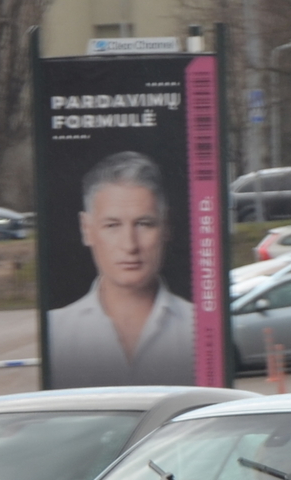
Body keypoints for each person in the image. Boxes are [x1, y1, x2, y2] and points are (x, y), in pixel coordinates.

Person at [46, 150, 194, 385]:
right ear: (87, 229)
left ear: (166, 227)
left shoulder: (198, 327)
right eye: (112, 225)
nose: (129, 245)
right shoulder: (55, 331)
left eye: (144, 224)